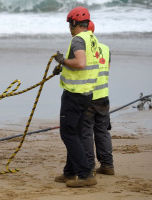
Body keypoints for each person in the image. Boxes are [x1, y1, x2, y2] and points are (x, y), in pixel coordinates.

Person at [53, 7, 100, 187]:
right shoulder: (91, 38)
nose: (69, 28)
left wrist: (63, 61)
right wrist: (64, 66)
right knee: (76, 133)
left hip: (74, 94)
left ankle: (85, 174)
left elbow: (80, 63)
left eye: (69, 24)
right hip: (86, 93)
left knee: (68, 134)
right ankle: (70, 173)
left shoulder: (78, 40)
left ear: (74, 23)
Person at [81, 20, 115, 175]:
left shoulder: (82, 50)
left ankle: (89, 166)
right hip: (103, 96)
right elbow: (106, 69)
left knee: (86, 132)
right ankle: (107, 165)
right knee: (102, 131)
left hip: (87, 96)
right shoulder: (106, 49)